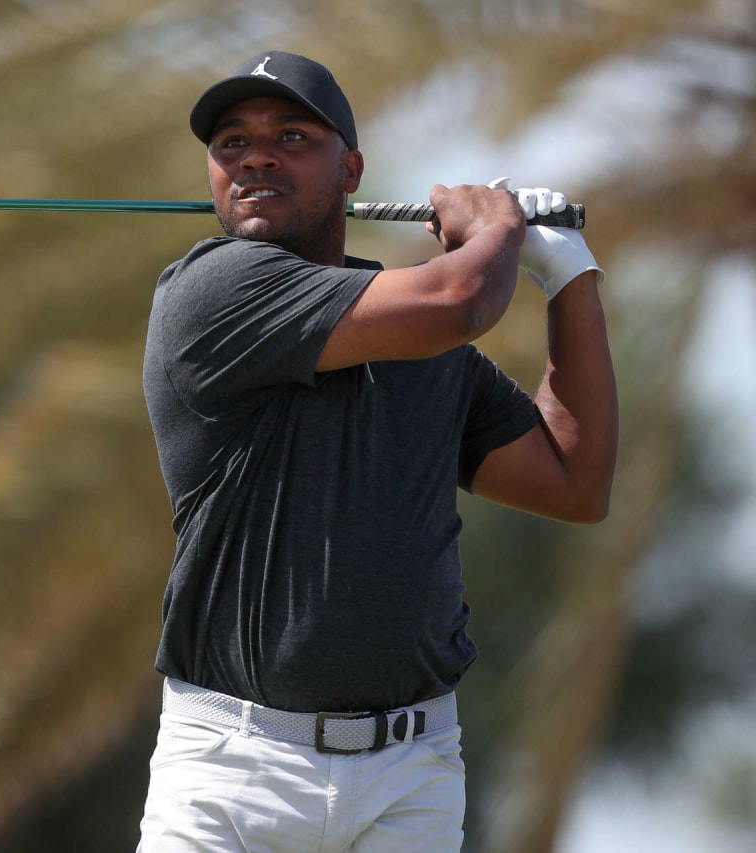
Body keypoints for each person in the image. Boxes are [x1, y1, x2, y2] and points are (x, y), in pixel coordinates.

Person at [137, 50, 618, 852]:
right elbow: (459, 296)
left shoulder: (424, 346)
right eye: (231, 143)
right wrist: (497, 224)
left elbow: (575, 480)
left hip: (411, 778)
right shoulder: (209, 291)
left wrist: (569, 273)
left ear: (350, 169)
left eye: (291, 135)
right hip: (232, 774)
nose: (255, 155)